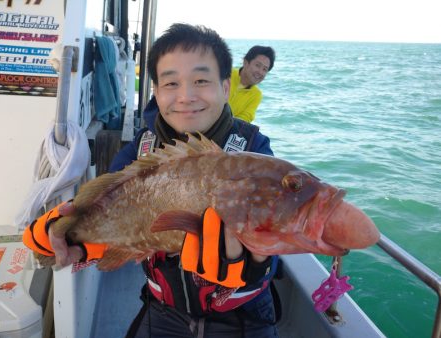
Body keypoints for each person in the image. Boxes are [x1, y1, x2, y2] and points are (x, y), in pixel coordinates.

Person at [28, 24, 280, 338]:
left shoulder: (253, 150)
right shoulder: (141, 148)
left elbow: (274, 241)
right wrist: (72, 238)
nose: (186, 96)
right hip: (163, 310)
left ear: (226, 87)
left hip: (243, 316)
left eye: (201, 80)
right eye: (171, 83)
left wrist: (257, 268)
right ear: (156, 93)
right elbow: (107, 207)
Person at [229, 46, 275, 123]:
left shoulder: (256, 95)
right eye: (257, 65)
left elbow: (244, 119)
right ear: (245, 62)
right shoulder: (226, 73)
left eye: (265, 69)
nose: (260, 72)